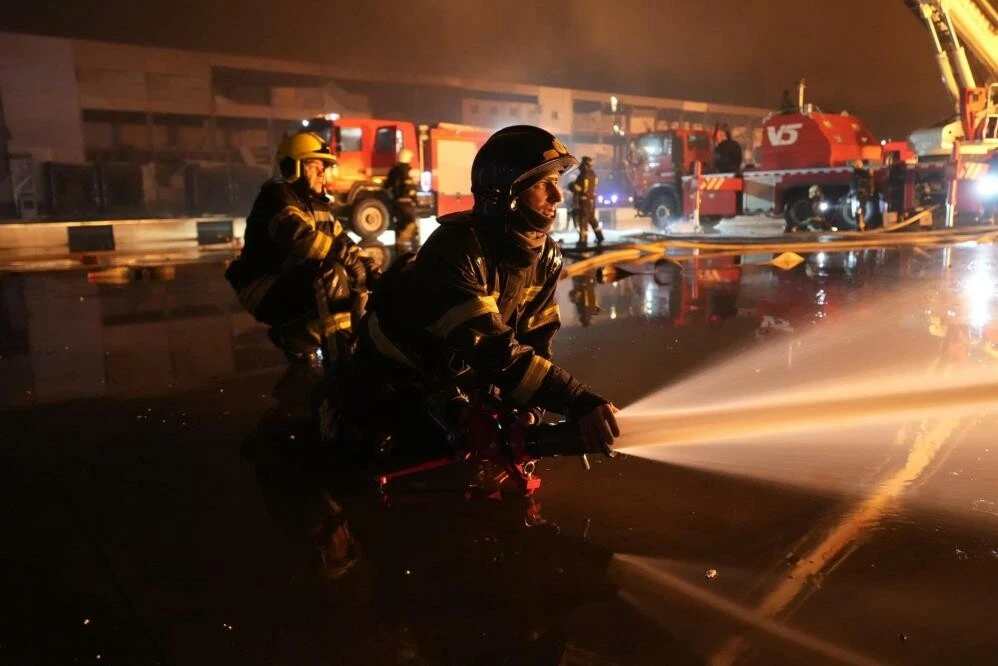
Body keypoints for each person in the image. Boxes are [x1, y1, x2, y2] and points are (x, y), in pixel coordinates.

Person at [336, 125, 620, 457]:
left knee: (483, 430)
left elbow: (536, 340)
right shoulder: (457, 248)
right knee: (392, 451)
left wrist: (531, 408)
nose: (557, 197)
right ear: (506, 192)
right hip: (398, 370)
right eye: (543, 184)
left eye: (556, 183)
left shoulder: (547, 256)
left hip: (460, 367)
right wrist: (576, 399)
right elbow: (492, 349)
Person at [224, 131, 375, 405]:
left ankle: (297, 338)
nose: (322, 174)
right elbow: (300, 238)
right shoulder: (277, 196)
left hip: (288, 283)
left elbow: (342, 240)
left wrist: (370, 268)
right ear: (293, 167)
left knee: (348, 278)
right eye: (315, 167)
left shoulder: (317, 204)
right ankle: (340, 364)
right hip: (262, 287)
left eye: (324, 168)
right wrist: (349, 262)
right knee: (330, 275)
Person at [384, 148, 420, 252]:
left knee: (399, 224)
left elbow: (387, 185)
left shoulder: (393, 171)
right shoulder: (407, 172)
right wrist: (416, 201)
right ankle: (403, 242)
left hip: (396, 202)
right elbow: (411, 189)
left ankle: (398, 248)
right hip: (407, 203)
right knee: (411, 222)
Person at [569, 156, 604, 246]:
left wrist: (571, 185)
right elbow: (593, 187)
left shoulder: (583, 175)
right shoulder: (593, 174)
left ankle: (583, 240)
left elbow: (578, 188)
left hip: (584, 200)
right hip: (592, 200)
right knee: (592, 218)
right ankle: (600, 236)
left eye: (582, 163)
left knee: (583, 219)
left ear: (585, 165)